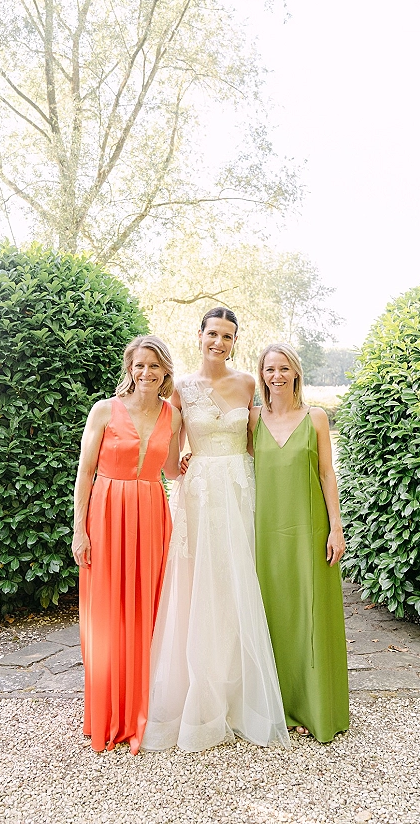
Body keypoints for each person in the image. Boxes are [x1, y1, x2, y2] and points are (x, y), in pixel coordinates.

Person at [142, 308, 290, 752]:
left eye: (228, 336)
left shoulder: (249, 383)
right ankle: (200, 697)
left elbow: (256, 443)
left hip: (241, 489)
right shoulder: (181, 391)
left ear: (235, 341)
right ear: (199, 335)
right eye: (213, 334)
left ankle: (240, 694)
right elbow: (169, 464)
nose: (219, 343)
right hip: (201, 493)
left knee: (236, 581)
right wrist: (183, 463)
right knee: (199, 585)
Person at [72, 335, 182, 754]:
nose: (146, 373)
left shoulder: (172, 415)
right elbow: (85, 473)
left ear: (165, 370)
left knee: (146, 612)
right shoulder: (104, 410)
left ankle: (142, 710)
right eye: (139, 365)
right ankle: (107, 713)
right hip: (107, 514)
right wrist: (79, 530)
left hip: (152, 515)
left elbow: (170, 469)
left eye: (155, 366)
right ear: (129, 368)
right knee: (107, 614)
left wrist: (188, 465)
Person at [249, 342, 349, 742]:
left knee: (309, 615)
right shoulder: (252, 420)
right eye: (270, 369)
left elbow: (327, 474)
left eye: (284, 368)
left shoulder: (317, 417)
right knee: (272, 614)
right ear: (262, 375)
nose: (277, 375)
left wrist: (336, 528)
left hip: (308, 531)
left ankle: (313, 705)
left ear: (296, 373)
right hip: (265, 533)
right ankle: (278, 707)